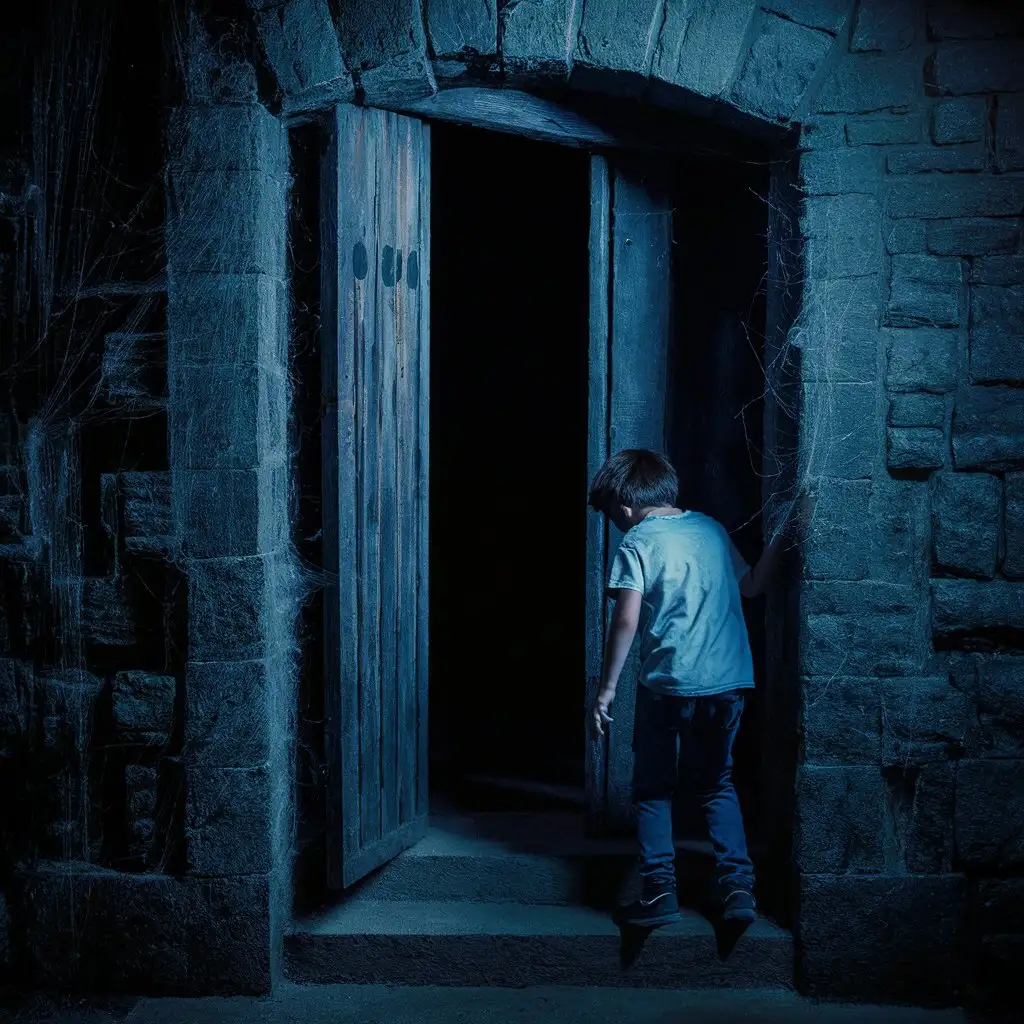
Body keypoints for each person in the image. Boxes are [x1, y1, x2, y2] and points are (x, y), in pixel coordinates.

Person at [587, 448, 800, 929]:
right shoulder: (710, 529)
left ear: (623, 507)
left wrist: (605, 692)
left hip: (668, 686)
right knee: (716, 785)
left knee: (653, 791)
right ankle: (739, 891)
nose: (617, 525)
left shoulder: (637, 542)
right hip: (729, 685)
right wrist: (786, 530)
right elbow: (752, 587)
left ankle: (660, 892)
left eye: (611, 516)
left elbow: (626, 618)